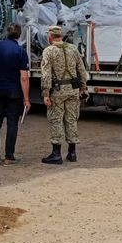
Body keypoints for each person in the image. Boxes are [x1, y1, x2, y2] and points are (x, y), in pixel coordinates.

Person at [40, 25, 88, 164]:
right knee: (71, 119)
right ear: (61, 35)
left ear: (50, 37)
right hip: (73, 90)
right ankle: (72, 153)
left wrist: (45, 93)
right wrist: (83, 88)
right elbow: (82, 69)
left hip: (58, 91)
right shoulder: (73, 48)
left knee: (56, 119)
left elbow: (46, 74)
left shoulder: (49, 51)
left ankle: (56, 154)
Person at [0, 24, 31, 166]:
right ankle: (8, 157)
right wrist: (26, 99)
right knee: (12, 124)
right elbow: (24, 77)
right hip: (13, 92)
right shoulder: (20, 51)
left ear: (7, 32)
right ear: (19, 35)